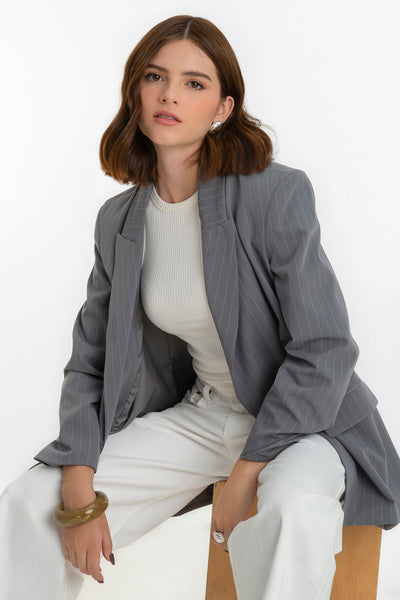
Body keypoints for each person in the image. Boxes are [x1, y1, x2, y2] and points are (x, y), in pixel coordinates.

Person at [1, 13, 400, 600]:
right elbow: (91, 360)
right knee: (32, 502)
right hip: (204, 416)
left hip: (302, 421)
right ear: (136, 92)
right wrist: (80, 483)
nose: (169, 95)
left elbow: (326, 348)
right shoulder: (120, 221)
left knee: (289, 515)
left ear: (223, 108)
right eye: (155, 77)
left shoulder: (273, 193)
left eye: (194, 83)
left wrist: (246, 475)